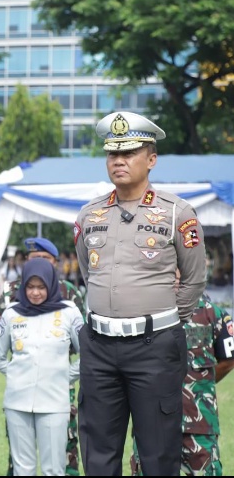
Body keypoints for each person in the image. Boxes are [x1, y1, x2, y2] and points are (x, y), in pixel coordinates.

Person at [74, 111, 207, 475]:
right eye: (113, 154)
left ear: (151, 159)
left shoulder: (178, 213)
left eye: (129, 153)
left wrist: (158, 323)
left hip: (155, 347)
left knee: (158, 453)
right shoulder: (89, 215)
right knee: (98, 452)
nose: (119, 161)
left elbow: (194, 279)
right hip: (99, 346)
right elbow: (89, 272)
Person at [0, 237, 85, 476]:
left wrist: (65, 376)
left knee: (54, 468)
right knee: (22, 469)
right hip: (17, 401)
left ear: (51, 283)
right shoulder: (12, 313)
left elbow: (88, 356)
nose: (35, 293)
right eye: (30, 287)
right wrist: (17, 373)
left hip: (54, 402)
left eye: (41, 287)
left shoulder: (69, 312)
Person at [130, 290, 234, 476]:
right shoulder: (142, 311)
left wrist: (202, 385)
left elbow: (229, 359)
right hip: (151, 422)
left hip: (200, 422)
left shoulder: (211, 312)